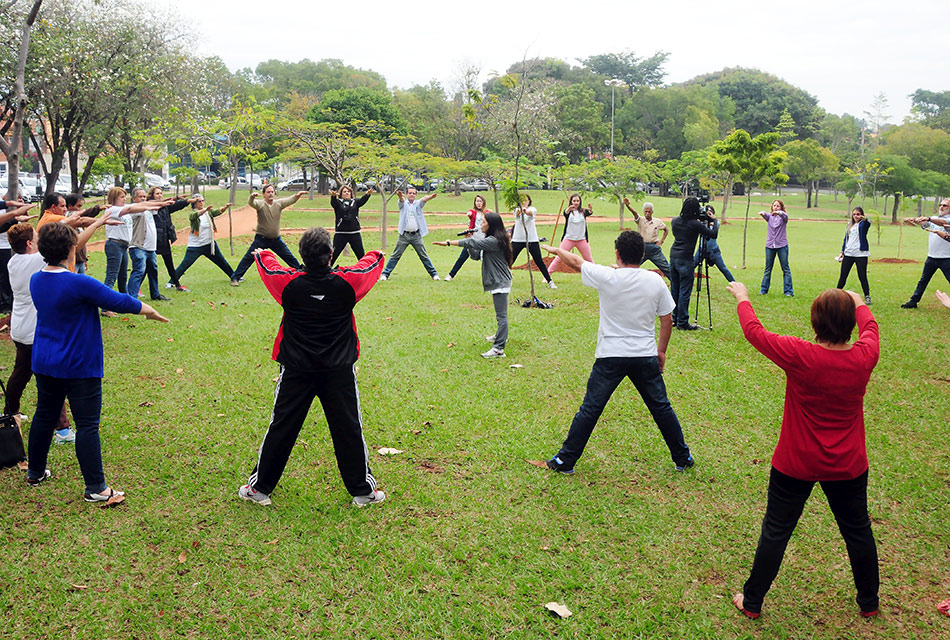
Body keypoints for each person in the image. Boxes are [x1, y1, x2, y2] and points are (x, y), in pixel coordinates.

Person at [727, 283, 880, 620]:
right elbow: (871, 327)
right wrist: (857, 301)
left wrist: (743, 298)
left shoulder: (800, 354)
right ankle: (869, 603)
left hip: (796, 462)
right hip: (848, 464)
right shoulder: (865, 355)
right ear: (850, 324)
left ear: (815, 323)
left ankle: (752, 602)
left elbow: (754, 332)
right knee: (857, 530)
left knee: (777, 530)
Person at [238, 228, 386, 508]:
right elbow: (368, 266)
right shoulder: (347, 283)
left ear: (302, 256)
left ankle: (259, 490)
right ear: (331, 255)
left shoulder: (289, 284)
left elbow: (271, 269)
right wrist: (375, 253)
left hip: (297, 369)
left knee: (282, 427)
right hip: (337, 370)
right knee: (348, 429)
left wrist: (265, 253)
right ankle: (362, 492)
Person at [26, 223, 169, 501]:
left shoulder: (37, 279)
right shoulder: (79, 282)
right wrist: (149, 310)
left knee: (44, 416)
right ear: (70, 249)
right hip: (78, 365)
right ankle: (96, 489)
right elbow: (119, 301)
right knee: (87, 425)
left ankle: (35, 472)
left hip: (45, 361)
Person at [540, 230, 695, 473]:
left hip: (610, 355)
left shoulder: (606, 276)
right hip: (644, 355)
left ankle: (564, 460)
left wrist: (556, 251)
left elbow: (576, 261)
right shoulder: (654, 280)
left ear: (617, 254)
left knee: (591, 408)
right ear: (643, 255)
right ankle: (682, 458)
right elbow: (667, 320)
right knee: (661, 407)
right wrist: (661, 352)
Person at [6, 216, 116, 441]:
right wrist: (96, 224)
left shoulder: (13, 261)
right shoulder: (34, 261)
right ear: (29, 245)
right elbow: (74, 245)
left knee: (21, 373)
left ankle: (10, 412)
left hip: (19, 328)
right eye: (36, 238)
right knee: (51, 381)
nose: (38, 241)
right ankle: (63, 429)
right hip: (33, 330)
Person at [433, 211, 513, 358]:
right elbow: (475, 255)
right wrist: (468, 242)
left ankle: (498, 349)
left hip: (500, 281)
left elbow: (473, 243)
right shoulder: (491, 240)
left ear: (491, 225)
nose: (481, 225)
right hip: (497, 280)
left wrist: (450, 243)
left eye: (483, 222)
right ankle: (499, 336)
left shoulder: (494, 241)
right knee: (500, 315)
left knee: (501, 316)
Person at [101, 187, 173, 306]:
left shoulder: (124, 209)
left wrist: (161, 203)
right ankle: (105, 307)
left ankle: (126, 302)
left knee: (123, 277)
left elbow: (143, 205)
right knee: (111, 277)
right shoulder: (112, 209)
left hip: (123, 246)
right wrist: (155, 204)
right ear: (114, 198)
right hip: (115, 245)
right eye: (121, 197)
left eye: (125, 197)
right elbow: (132, 208)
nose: (124, 199)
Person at [230, 185, 308, 286]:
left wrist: (297, 196)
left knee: (289, 257)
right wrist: (252, 197)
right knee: (248, 258)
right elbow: (252, 203)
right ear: (264, 194)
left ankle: (301, 273)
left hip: (276, 240)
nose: (271, 193)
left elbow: (290, 200)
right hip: (261, 239)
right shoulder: (260, 204)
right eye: (268, 192)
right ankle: (235, 278)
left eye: (272, 192)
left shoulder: (279, 204)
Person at [669, 197, 719, 330]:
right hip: (686, 259)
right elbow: (712, 235)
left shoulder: (675, 221)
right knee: (685, 291)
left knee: (675, 289)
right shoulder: (695, 224)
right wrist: (713, 220)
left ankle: (674, 318)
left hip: (673, 257)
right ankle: (683, 322)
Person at [379, 187, 439, 281]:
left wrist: (431, 197)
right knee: (395, 255)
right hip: (404, 235)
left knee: (423, 255)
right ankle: (385, 274)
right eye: (410, 193)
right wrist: (400, 196)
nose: (412, 194)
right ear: (407, 194)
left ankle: (434, 274)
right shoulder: (403, 204)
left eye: (413, 193)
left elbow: (424, 199)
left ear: (416, 195)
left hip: (416, 235)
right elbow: (401, 200)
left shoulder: (418, 204)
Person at [900, 199, 950, 308]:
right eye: (940, 205)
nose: (941, 207)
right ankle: (913, 301)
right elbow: (925, 223)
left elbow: (942, 223)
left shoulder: (945, 219)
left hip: (946, 258)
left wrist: (929, 218)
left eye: (945, 205)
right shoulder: (934, 218)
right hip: (932, 257)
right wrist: (914, 220)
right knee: (923, 280)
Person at [173, 197, 234, 283]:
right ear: (194, 203)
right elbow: (193, 216)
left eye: (203, 201)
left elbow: (216, 212)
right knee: (185, 265)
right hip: (195, 246)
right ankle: (172, 282)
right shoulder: (193, 213)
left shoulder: (208, 212)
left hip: (209, 244)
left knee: (222, 262)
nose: (202, 203)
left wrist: (225, 207)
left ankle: (234, 276)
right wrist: (204, 211)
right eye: (199, 201)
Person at [147, 187, 193, 292]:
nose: (160, 195)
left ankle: (177, 285)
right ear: (152, 195)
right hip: (153, 239)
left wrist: (186, 202)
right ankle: (137, 289)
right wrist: (175, 198)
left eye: (161, 193)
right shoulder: (149, 206)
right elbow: (155, 204)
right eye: (157, 193)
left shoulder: (165, 207)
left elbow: (175, 206)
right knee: (146, 265)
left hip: (163, 239)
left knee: (169, 263)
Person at [510, 194, 555, 288]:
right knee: (510, 260)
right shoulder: (516, 209)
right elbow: (517, 213)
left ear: (529, 201)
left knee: (539, 261)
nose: (524, 202)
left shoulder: (533, 209)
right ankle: (502, 279)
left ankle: (549, 281)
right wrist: (521, 210)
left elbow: (530, 213)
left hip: (531, 239)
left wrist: (525, 210)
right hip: (517, 239)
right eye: (522, 200)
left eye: (526, 200)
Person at [446, 194, 491, 281]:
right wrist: (469, 214)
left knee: (487, 260)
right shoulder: (473, 212)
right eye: (477, 201)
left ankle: (490, 277)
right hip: (472, 239)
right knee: (462, 258)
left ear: (483, 202)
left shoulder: (487, 213)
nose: (479, 203)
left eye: (480, 201)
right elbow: (470, 214)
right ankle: (450, 275)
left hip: (483, 240)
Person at [623, 198, 670, 279]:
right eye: (646, 211)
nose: (647, 213)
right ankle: (624, 282)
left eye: (649, 211)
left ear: (652, 212)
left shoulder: (657, 221)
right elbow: (634, 213)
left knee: (667, 269)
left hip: (654, 249)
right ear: (643, 211)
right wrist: (628, 206)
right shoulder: (640, 220)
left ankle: (677, 286)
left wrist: (661, 241)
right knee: (631, 267)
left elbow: (666, 229)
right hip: (641, 248)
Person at [547, 194, 593, 273]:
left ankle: (595, 276)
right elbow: (565, 213)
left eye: (577, 201)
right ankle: (547, 276)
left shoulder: (583, 211)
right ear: (571, 201)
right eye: (574, 201)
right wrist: (569, 208)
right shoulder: (569, 212)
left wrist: (590, 209)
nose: (576, 203)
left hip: (581, 240)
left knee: (588, 259)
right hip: (569, 239)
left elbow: (589, 212)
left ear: (580, 202)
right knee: (559, 258)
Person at [63, 193, 107, 275]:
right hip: (73, 260)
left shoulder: (77, 223)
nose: (80, 209)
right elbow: (85, 216)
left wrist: (84, 259)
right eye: (78, 206)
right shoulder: (70, 216)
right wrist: (98, 209)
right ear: (69, 206)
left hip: (80, 260)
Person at [329, 185, 373, 266]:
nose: (347, 193)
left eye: (348, 191)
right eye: (344, 192)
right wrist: (333, 196)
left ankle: (366, 272)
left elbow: (362, 200)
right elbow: (333, 203)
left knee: (361, 256)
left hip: (354, 233)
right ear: (341, 194)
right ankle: (325, 273)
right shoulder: (338, 203)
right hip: (341, 233)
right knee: (333, 256)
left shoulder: (355, 202)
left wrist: (367, 194)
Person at [836, 207, 872, 304]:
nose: (856, 216)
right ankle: (836, 294)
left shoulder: (863, 224)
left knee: (862, 275)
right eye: (854, 214)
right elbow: (845, 239)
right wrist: (842, 251)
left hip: (860, 254)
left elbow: (868, 223)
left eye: (858, 214)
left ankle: (867, 296)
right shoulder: (850, 225)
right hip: (849, 253)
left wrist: (864, 218)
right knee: (843, 275)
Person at [759, 199, 793, 296]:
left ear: (781, 207)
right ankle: (763, 290)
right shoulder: (770, 217)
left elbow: (786, 216)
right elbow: (766, 215)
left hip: (782, 245)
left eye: (778, 206)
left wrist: (779, 212)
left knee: (785, 268)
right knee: (768, 269)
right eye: (774, 206)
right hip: (770, 246)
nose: (776, 207)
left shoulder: (783, 218)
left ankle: (788, 291)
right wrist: (763, 213)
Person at [694, 204, 734, 283]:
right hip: (702, 249)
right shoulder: (701, 224)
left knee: (723, 268)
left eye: (710, 213)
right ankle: (684, 284)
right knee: (692, 266)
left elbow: (714, 230)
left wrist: (713, 219)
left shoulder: (716, 223)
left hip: (713, 251)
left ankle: (734, 284)